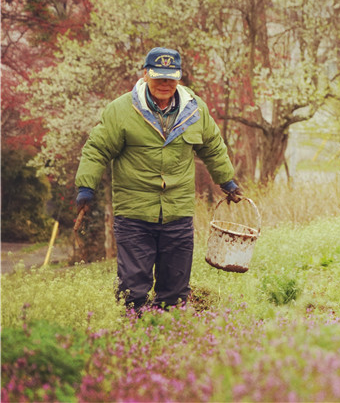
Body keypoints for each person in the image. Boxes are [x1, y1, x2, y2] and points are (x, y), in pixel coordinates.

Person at [75, 47, 243, 312]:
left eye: (170, 77)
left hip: (178, 213)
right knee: (134, 287)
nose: (165, 84)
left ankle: (169, 341)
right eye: (158, 77)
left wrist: (227, 182)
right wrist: (86, 187)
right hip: (134, 214)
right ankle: (133, 337)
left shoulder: (195, 110)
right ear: (145, 75)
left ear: (179, 78)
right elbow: (97, 149)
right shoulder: (121, 110)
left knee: (175, 292)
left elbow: (212, 146)